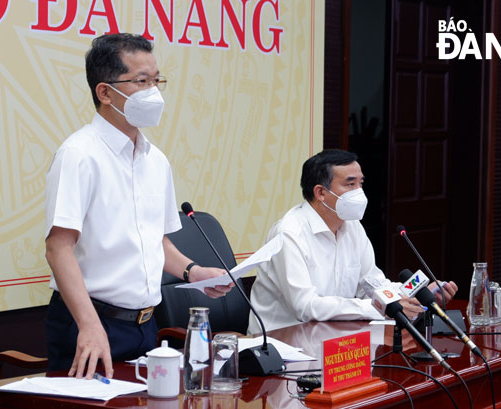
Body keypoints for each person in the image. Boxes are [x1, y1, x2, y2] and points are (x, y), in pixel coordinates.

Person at [44, 33, 231, 380]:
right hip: (89, 323)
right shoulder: (78, 155)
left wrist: (194, 272)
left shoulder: (155, 160)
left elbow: (154, 239)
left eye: (156, 80)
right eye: (142, 81)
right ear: (105, 92)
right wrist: (89, 325)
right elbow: (58, 247)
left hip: (146, 325)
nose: (154, 92)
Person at [248, 149, 458, 333]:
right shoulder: (289, 233)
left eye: (360, 183)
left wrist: (418, 296)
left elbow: (373, 284)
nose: (359, 192)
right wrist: (378, 307)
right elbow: (305, 306)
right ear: (320, 192)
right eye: (350, 184)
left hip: (332, 336)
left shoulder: (352, 226)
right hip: (282, 344)